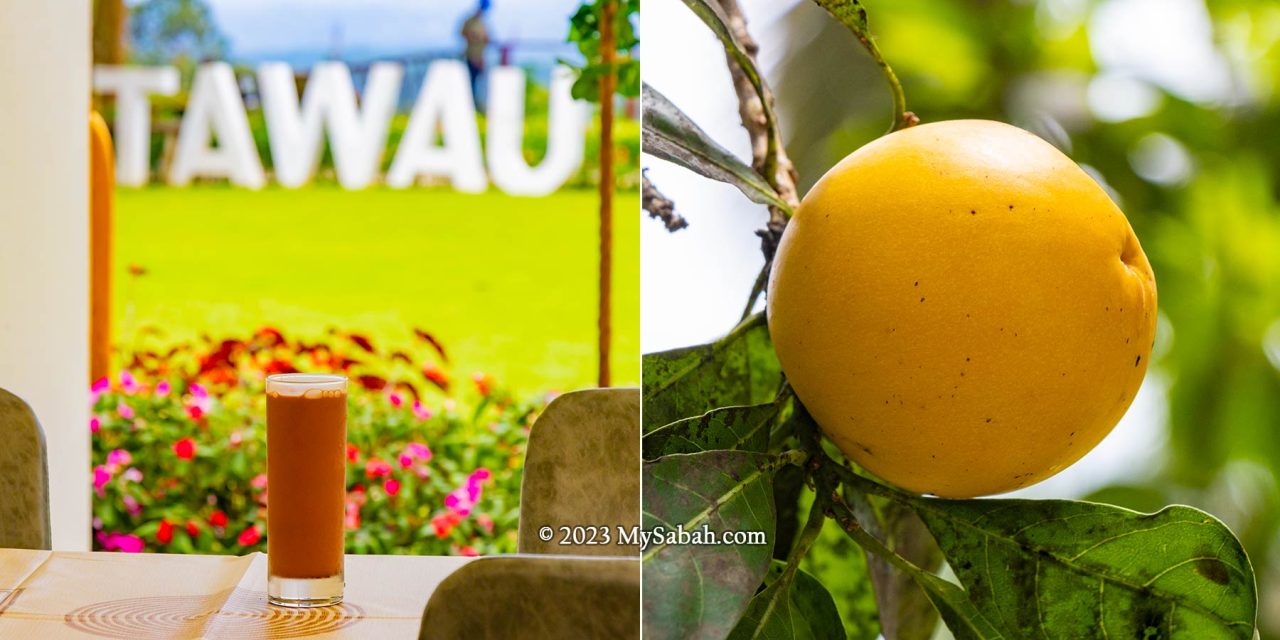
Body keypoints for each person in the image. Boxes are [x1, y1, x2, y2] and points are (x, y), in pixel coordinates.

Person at [460, 0, 490, 111]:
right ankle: (470, 106)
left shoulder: (482, 23)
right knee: (470, 82)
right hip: (471, 56)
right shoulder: (470, 22)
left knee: (479, 83)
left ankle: (477, 105)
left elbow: (486, 40)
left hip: (480, 57)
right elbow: (463, 33)